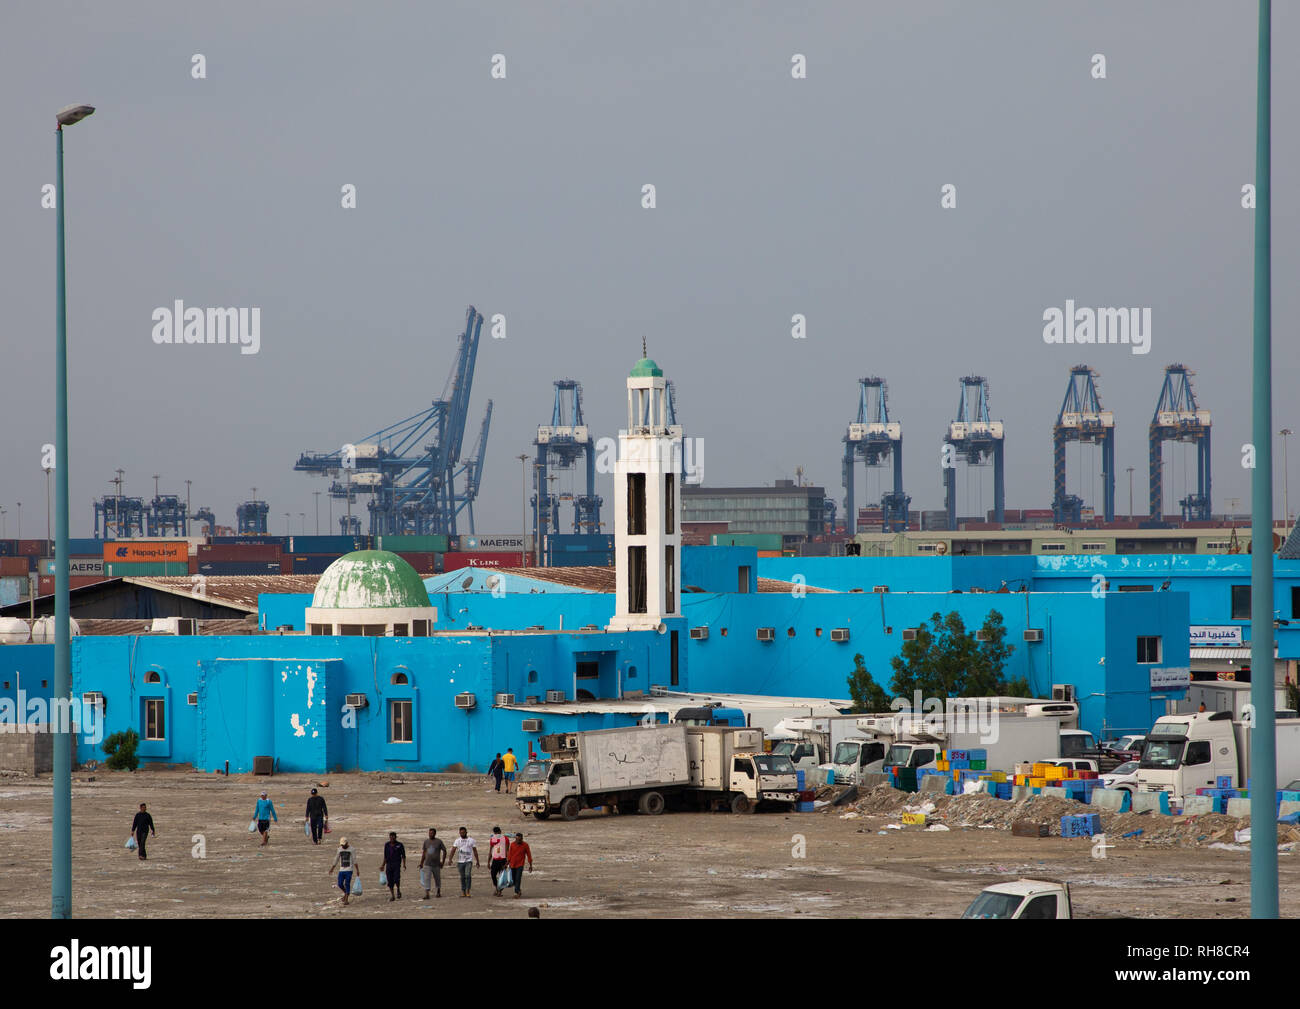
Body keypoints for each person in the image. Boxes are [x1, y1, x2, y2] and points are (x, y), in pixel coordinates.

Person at [419, 827, 446, 899]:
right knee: (427, 878)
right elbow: (424, 852)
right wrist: (421, 863)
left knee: (437, 878)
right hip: (427, 863)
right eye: (429, 833)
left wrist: (442, 862)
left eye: (432, 833)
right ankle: (427, 894)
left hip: (436, 864)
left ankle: (438, 892)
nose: (430, 834)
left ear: (435, 833)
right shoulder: (426, 842)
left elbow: (444, 851)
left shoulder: (439, 841)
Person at [330, 838, 359, 906]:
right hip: (341, 870)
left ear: (347, 843)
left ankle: (346, 899)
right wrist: (332, 868)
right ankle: (346, 893)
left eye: (344, 845)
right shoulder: (339, 849)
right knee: (340, 884)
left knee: (347, 883)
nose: (343, 846)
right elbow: (336, 859)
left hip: (349, 870)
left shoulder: (352, 849)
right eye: (342, 845)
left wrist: (357, 870)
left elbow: (355, 860)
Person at [451, 826, 479, 898]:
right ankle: (463, 891)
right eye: (460, 833)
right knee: (462, 877)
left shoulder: (471, 840)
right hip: (460, 862)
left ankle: (468, 891)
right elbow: (453, 849)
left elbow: (475, 851)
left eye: (463, 832)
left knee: (468, 875)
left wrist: (477, 861)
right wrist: (450, 859)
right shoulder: (457, 840)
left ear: (466, 832)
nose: (462, 834)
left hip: (468, 861)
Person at [505, 832, 533, 899]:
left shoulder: (525, 845)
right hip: (512, 864)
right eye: (517, 839)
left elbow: (529, 855)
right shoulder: (512, 844)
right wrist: (507, 863)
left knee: (518, 878)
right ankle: (518, 890)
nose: (518, 841)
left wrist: (530, 865)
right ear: (515, 839)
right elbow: (510, 855)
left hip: (520, 865)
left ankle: (516, 892)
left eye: (520, 839)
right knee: (514, 879)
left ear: (522, 839)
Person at [383, 831, 407, 901]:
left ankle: (398, 889)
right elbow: (385, 856)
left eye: (393, 837)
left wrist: (404, 864)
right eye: (391, 837)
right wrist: (383, 865)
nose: (392, 839)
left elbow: (403, 856)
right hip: (389, 864)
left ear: (395, 837)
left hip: (396, 864)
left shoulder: (399, 845)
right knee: (390, 880)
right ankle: (392, 895)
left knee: (396, 878)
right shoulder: (387, 845)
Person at [488, 826, 510, 894]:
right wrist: (488, 861)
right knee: (496, 875)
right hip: (498, 859)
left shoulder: (504, 839)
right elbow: (491, 850)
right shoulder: (495, 839)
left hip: (501, 859)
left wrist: (507, 861)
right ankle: (498, 888)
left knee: (499, 875)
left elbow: (507, 850)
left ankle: (498, 889)